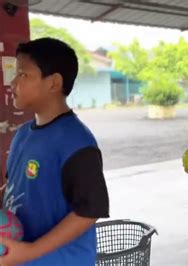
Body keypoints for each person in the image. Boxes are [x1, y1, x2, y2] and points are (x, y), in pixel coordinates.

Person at [0, 38, 109, 265]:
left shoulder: (77, 141)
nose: (12, 83)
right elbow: (13, 189)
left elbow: (89, 211)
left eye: (23, 75)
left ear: (53, 83)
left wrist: (30, 251)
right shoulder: (22, 134)